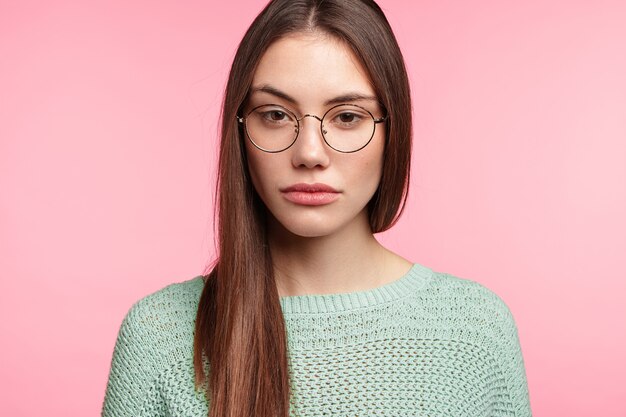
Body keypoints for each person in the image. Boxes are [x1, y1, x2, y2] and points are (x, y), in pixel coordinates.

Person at [102, 0, 532, 416]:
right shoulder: (158, 336)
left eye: (347, 117)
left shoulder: (476, 330)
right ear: (240, 128)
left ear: (392, 131)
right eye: (275, 114)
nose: (310, 153)